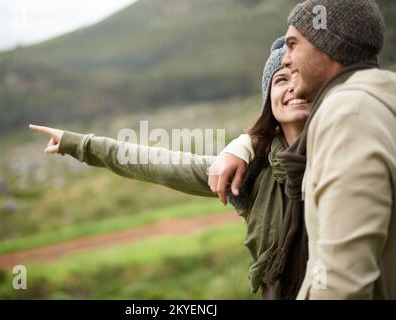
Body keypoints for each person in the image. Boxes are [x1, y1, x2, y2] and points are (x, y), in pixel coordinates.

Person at [29, 36, 311, 299]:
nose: (292, 87)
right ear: (268, 102)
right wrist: (79, 144)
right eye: (281, 80)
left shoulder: (343, 154)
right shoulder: (250, 172)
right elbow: (158, 164)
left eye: (300, 76)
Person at [211, 0, 396, 299]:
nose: (285, 60)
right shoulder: (379, 100)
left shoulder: (348, 114)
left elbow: (342, 279)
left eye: (293, 45)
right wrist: (246, 143)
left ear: (327, 45)